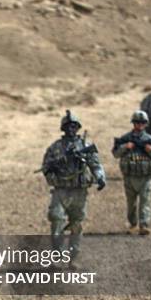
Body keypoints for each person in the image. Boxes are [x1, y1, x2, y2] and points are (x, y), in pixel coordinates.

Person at [41, 110, 106, 260]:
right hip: (61, 191)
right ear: (63, 128)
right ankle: (56, 257)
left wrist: (101, 178)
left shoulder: (84, 145)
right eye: (68, 126)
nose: (71, 129)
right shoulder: (55, 147)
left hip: (79, 191)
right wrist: (54, 172)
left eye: (74, 126)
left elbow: (95, 165)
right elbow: (46, 167)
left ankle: (73, 257)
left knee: (77, 224)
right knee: (56, 219)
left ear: (78, 128)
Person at [112, 110, 151, 235]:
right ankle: (133, 224)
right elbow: (115, 154)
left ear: (146, 124)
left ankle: (144, 225)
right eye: (137, 122)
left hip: (145, 177)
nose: (139, 125)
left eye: (142, 123)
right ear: (133, 123)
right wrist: (125, 147)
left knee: (145, 201)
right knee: (131, 203)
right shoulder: (126, 138)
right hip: (130, 177)